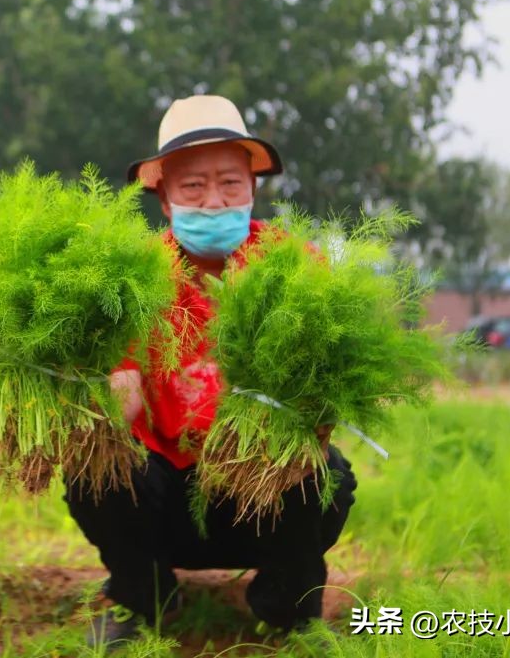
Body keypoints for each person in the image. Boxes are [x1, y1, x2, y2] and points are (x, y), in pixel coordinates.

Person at [65, 95, 358, 647]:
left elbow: (329, 377)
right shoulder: (137, 277)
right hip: (168, 497)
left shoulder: (294, 267)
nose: (215, 201)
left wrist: (321, 410)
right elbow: (124, 383)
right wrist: (89, 418)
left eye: (229, 183)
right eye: (193, 187)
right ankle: (141, 597)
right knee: (94, 466)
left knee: (327, 476)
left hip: (261, 489)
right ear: (166, 201)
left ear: (252, 189)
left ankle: (287, 606)